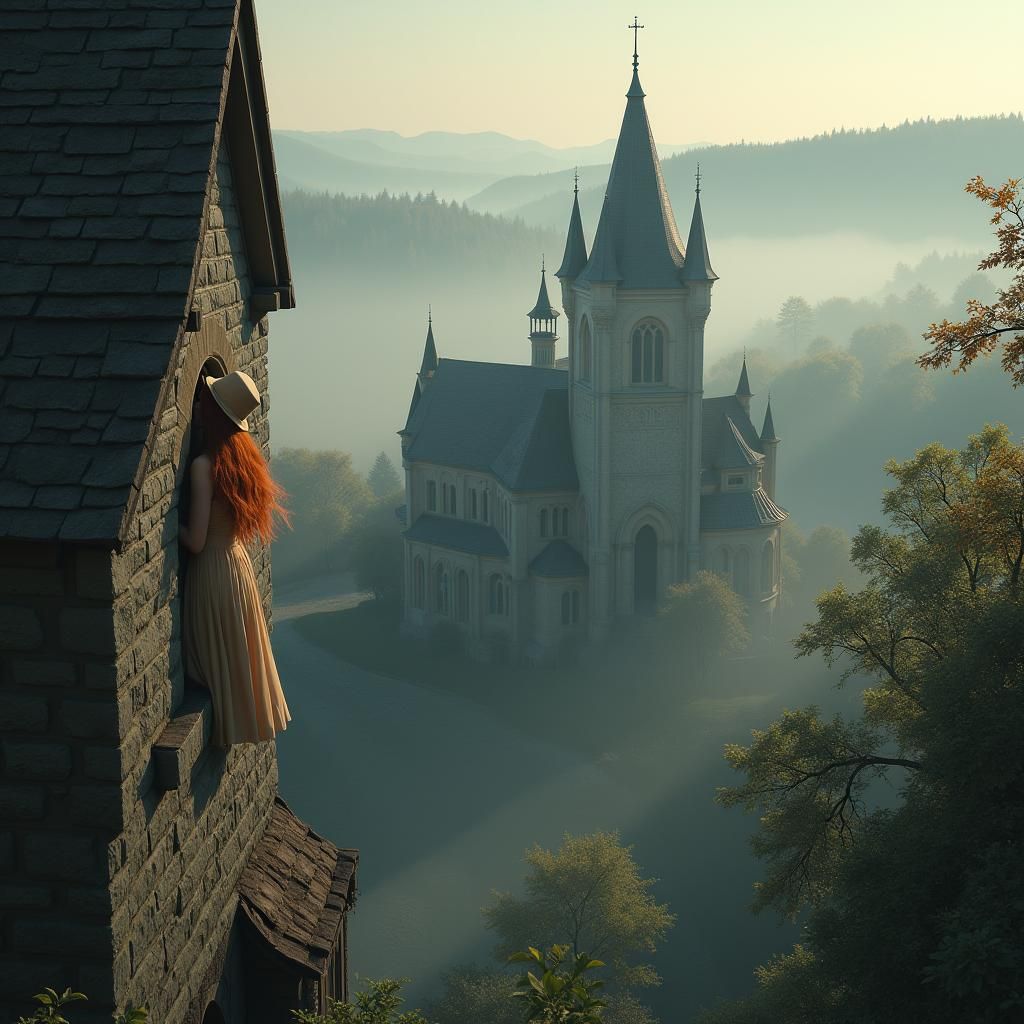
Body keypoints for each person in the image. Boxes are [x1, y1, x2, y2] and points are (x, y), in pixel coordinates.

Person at [179, 369, 291, 747]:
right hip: (237, 566)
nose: (195, 406)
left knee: (212, 662)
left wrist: (168, 527)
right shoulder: (242, 461)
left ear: (211, 413)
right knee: (237, 656)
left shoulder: (202, 467)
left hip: (213, 570)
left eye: (202, 401)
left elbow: (195, 541)